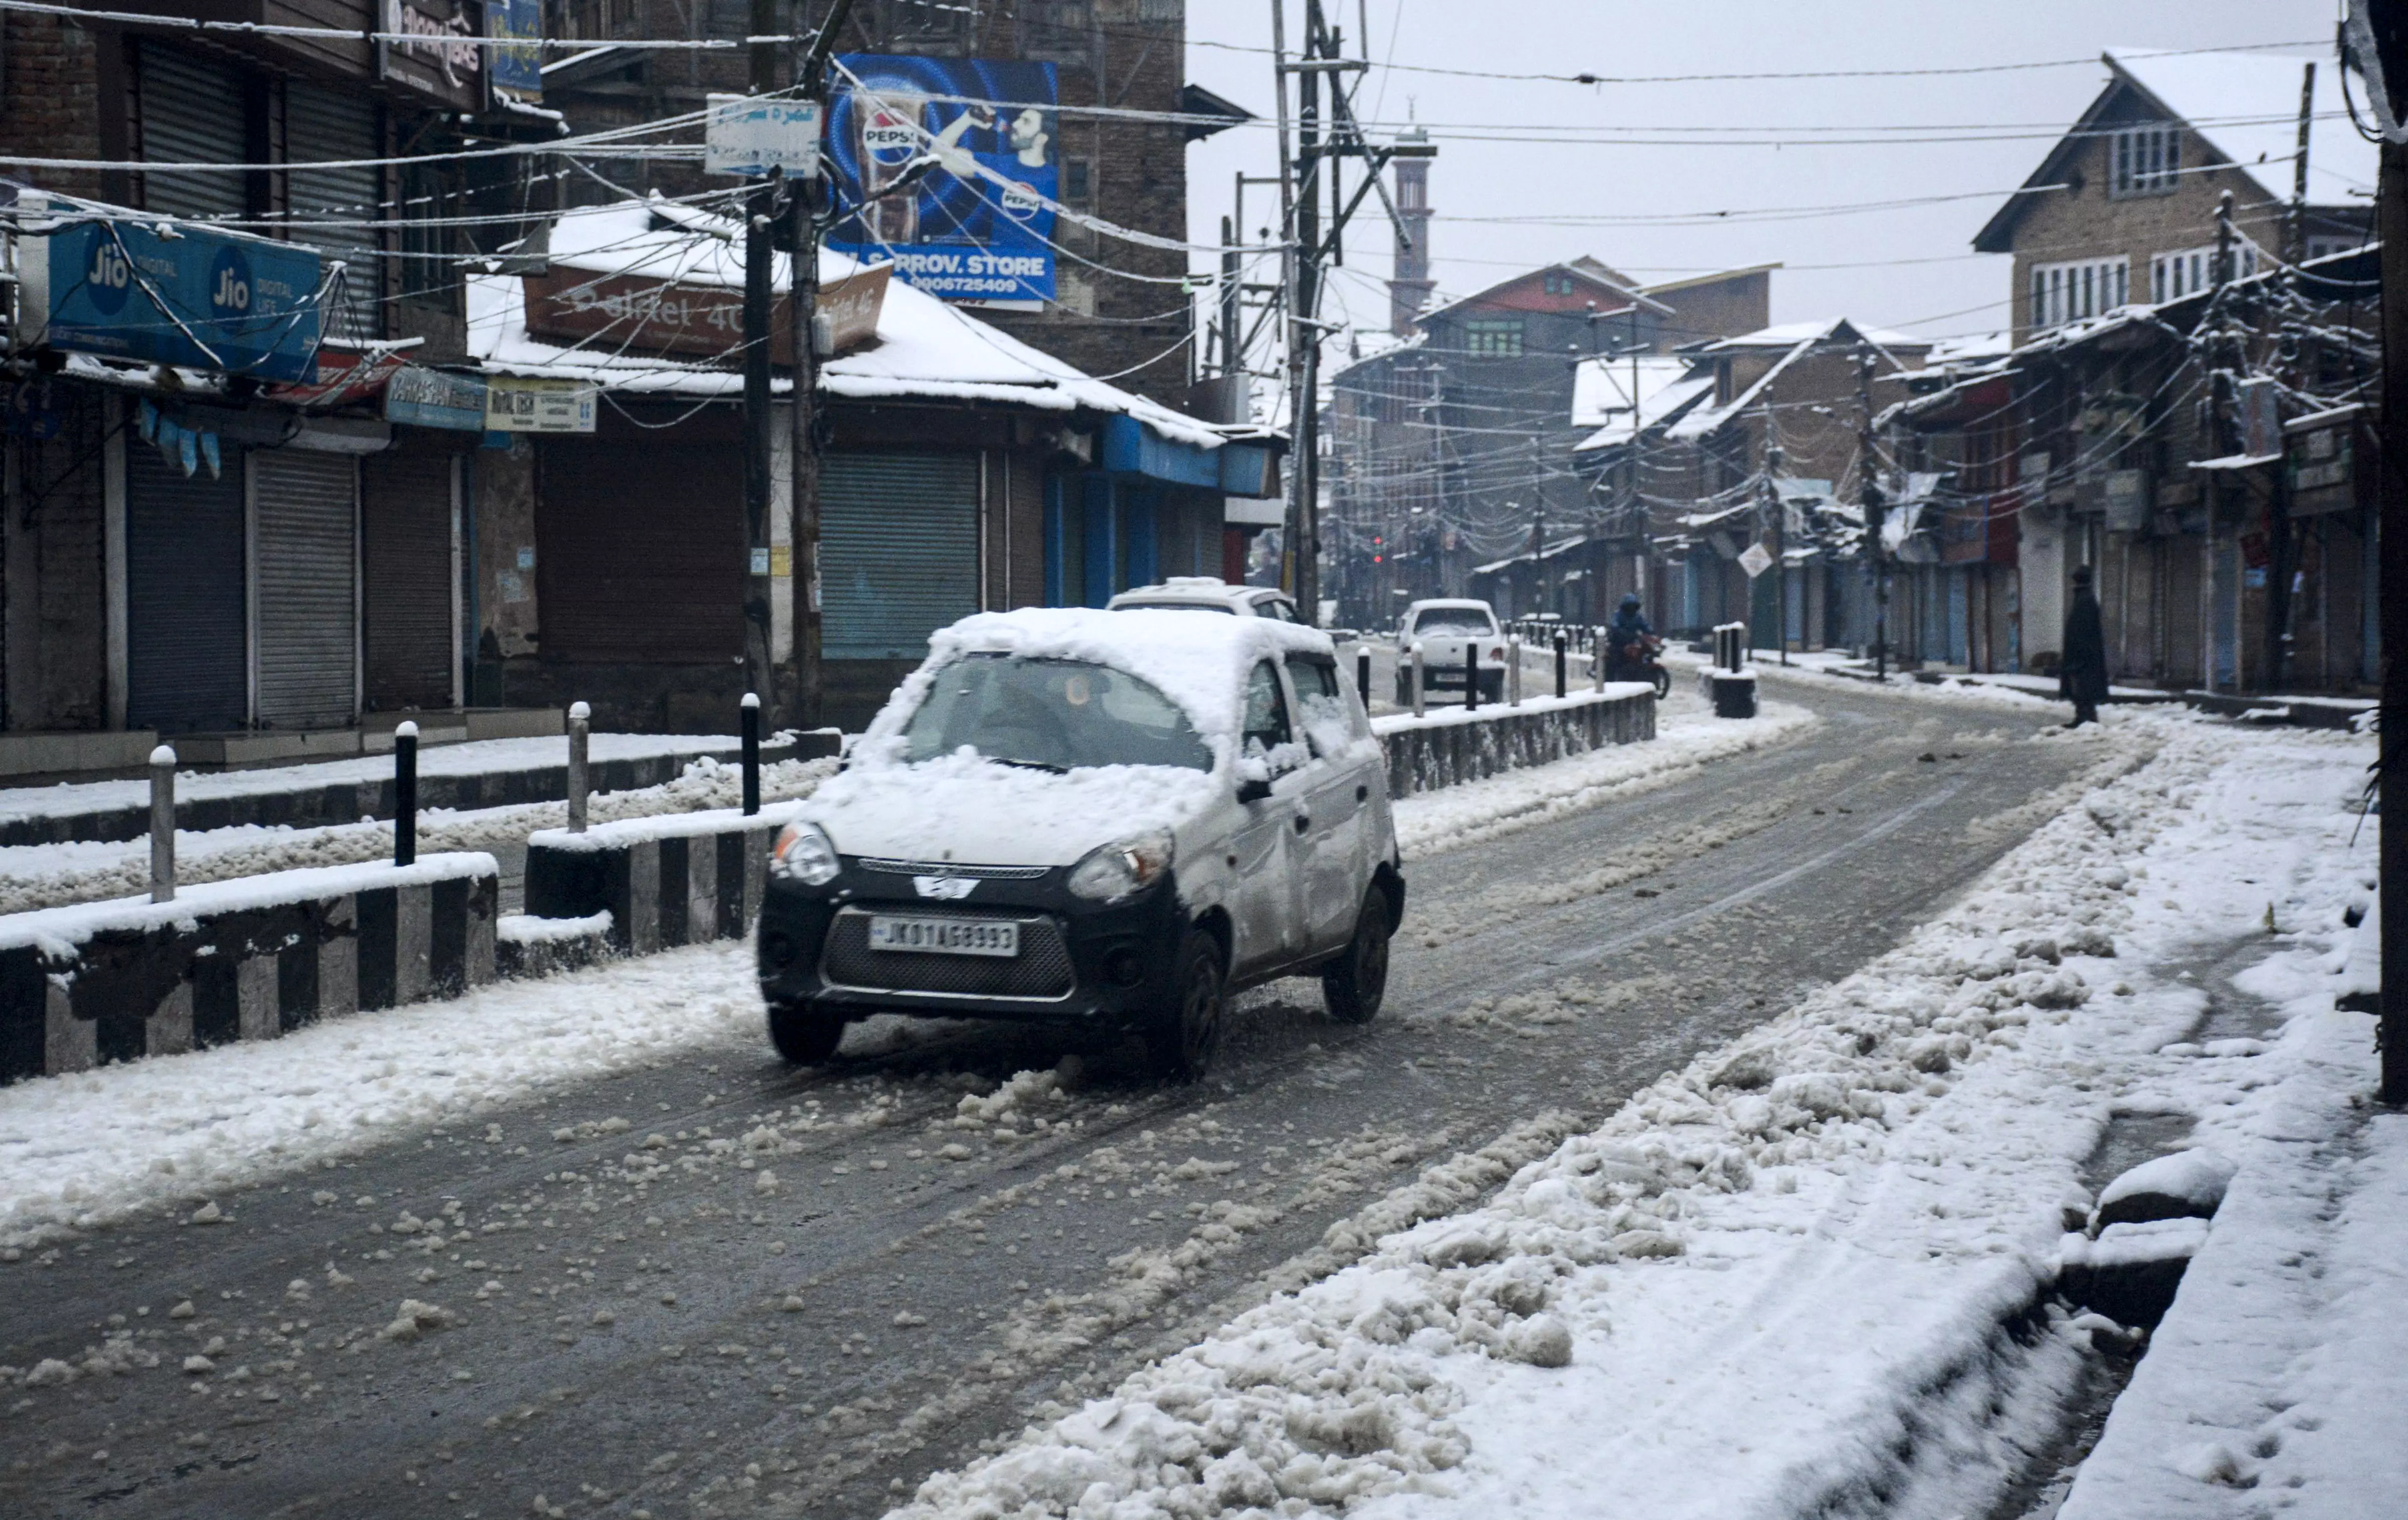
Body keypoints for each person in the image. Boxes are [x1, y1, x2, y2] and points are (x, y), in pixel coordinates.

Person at [2059, 564, 2109, 727]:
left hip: (2083, 655)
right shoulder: (2084, 598)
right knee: (2081, 688)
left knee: (2083, 687)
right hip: (2084, 654)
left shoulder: (2085, 600)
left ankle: (2086, 718)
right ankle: (2085, 717)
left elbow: (2082, 630)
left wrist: (2078, 654)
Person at [1606, 592, 1653, 681]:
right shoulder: (1618, 615)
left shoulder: (1637, 617)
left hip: (1632, 642)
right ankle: (1612, 679)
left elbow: (1645, 625)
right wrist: (1620, 632)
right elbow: (1614, 625)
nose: (1631, 608)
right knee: (1615, 659)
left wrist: (1651, 633)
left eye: (1633, 606)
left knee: (1641, 655)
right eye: (1629, 606)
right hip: (1618, 643)